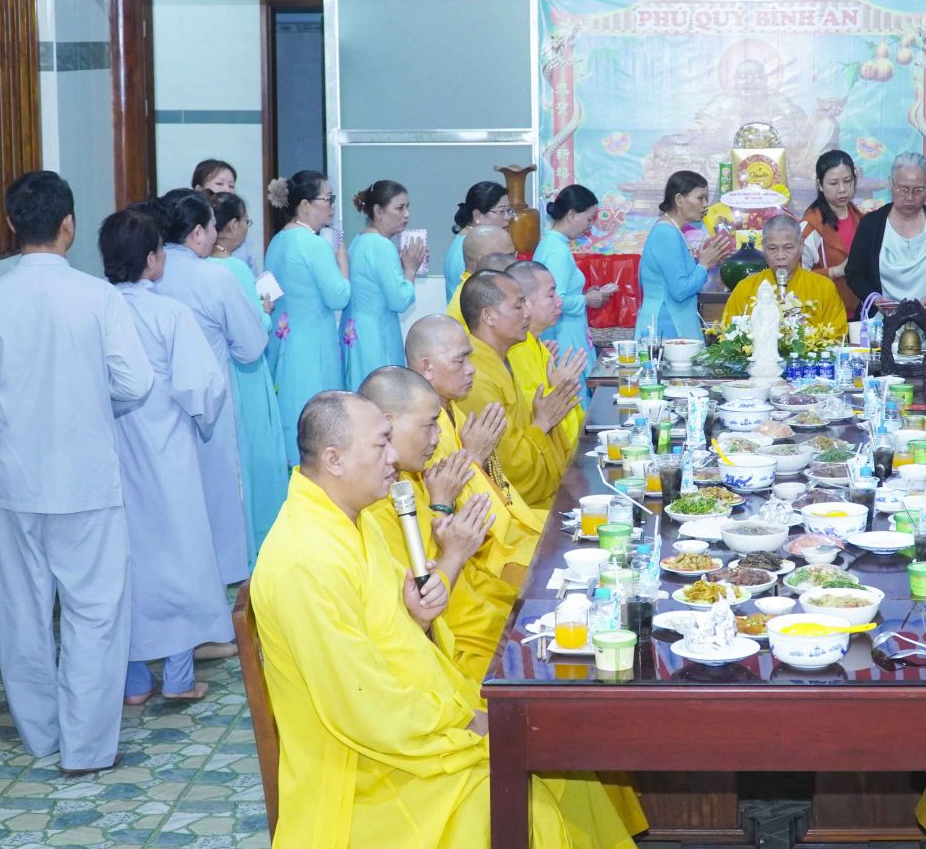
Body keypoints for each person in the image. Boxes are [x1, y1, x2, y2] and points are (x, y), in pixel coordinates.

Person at [249, 391, 643, 846]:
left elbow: (385, 640)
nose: (393, 457)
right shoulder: (306, 561)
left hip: (412, 721)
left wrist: (416, 619)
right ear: (334, 459)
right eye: (380, 445)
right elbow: (360, 706)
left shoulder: (353, 518)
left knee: (567, 770)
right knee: (525, 805)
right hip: (361, 771)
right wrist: (469, 724)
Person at [0, 171, 152, 775]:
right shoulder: (98, 298)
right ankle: (87, 748)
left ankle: (40, 735)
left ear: (13, 224)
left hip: (18, 481)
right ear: (69, 226)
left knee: (24, 614)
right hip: (87, 479)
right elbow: (135, 382)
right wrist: (89, 399)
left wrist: (19, 397)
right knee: (95, 613)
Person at [98, 207, 232, 705]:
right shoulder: (168, 313)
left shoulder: (95, 309)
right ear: (154, 259)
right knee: (179, 557)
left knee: (124, 561)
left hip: (109, 450)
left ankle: (133, 680)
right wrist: (201, 421)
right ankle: (177, 676)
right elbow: (203, 386)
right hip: (166, 451)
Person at [358, 366, 517, 681]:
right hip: (449, 649)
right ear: (387, 423)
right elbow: (415, 607)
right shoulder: (374, 503)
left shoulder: (409, 479)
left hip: (473, 617)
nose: (437, 437)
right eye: (429, 425)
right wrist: (450, 534)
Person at [155, 189, 269, 586]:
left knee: (167, 496)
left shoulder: (149, 274)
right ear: (199, 232)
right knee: (217, 491)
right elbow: (251, 346)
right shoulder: (214, 276)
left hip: (153, 408)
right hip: (211, 406)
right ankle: (222, 577)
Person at [406, 314, 547, 555]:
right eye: (459, 361)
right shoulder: (423, 432)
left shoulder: (453, 410)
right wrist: (474, 458)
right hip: (475, 553)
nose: (471, 369)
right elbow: (442, 521)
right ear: (427, 367)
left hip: (499, 530)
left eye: (469, 358)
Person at [207, 193, 291, 566]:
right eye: (245, 221)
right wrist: (266, 312)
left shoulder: (200, 267)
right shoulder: (234, 269)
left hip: (219, 372)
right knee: (258, 450)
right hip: (247, 371)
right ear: (230, 227)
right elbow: (253, 330)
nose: (246, 228)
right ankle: (262, 540)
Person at [456, 272, 582, 506]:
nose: (527, 313)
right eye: (518, 306)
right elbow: (510, 471)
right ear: (489, 316)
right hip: (515, 507)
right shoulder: (476, 379)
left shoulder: (500, 359)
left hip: (542, 493)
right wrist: (543, 422)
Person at [266, 170, 352, 465]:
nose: (332, 206)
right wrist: (342, 263)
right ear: (304, 205)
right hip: (312, 347)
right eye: (327, 199)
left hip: (284, 345)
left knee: (290, 417)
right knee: (316, 423)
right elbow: (339, 296)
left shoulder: (278, 241)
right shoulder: (313, 244)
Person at [845, 152, 926, 353]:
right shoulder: (871, 224)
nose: (910, 197)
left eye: (918, 190)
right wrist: (874, 298)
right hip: (879, 331)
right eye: (903, 189)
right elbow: (854, 274)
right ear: (891, 184)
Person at [635, 170, 735, 340]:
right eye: (700, 198)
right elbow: (680, 291)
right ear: (679, 199)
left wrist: (708, 261)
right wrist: (702, 265)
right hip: (666, 324)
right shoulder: (666, 233)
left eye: (706, 198)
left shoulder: (673, 230)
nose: (705, 205)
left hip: (673, 319)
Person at [534, 184, 615, 390]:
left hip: (565, 329)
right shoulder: (556, 251)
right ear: (571, 215)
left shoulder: (553, 243)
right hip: (564, 334)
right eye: (589, 219)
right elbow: (555, 300)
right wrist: (586, 300)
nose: (590, 226)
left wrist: (584, 295)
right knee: (573, 391)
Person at [343, 180, 424, 386]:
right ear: (379, 211)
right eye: (400, 208)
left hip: (356, 331)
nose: (406, 214)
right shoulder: (381, 245)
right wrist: (410, 270)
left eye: (407, 207)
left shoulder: (359, 240)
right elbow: (399, 301)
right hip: (376, 335)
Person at [506, 261, 589, 459]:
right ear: (525, 303)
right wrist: (558, 388)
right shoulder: (515, 351)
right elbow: (531, 417)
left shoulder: (537, 344)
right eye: (551, 295)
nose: (559, 302)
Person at [721, 214, 847, 337]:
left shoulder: (824, 288)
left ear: (801, 245)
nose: (780, 256)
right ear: (763, 247)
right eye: (772, 248)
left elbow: (837, 338)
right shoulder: (745, 289)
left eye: (788, 248)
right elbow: (728, 337)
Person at [799, 149, 866, 318]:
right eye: (834, 183)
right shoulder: (810, 226)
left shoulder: (862, 219)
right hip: (823, 316)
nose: (842, 189)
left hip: (861, 313)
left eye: (847, 181)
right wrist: (835, 271)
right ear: (820, 185)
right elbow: (797, 278)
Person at [445, 180, 511, 302]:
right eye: (502, 211)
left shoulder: (465, 239)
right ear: (478, 216)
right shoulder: (472, 247)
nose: (508, 217)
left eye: (508, 211)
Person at [193, 158, 261, 276]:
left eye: (231, 186)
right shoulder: (191, 226)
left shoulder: (239, 229)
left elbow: (251, 270)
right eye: (219, 184)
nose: (226, 190)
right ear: (199, 190)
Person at [445, 224, 518, 323]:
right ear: (483, 260)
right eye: (510, 255)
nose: (515, 260)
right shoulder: (475, 303)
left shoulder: (478, 290)